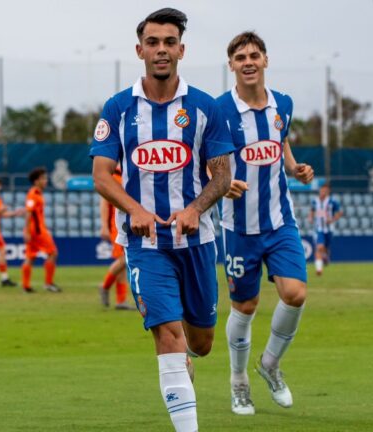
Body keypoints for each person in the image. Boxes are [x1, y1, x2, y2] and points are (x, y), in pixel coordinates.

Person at [90, 8, 232, 431]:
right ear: (140, 50)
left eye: (169, 42)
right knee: (167, 335)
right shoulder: (117, 109)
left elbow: (223, 175)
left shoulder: (205, 107)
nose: (161, 50)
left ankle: (185, 357)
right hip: (144, 245)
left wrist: (194, 208)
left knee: (200, 343)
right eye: (153, 42)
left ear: (181, 50)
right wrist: (134, 209)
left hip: (197, 242)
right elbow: (101, 175)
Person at [216, 31, 314, 416]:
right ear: (232, 66)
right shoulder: (220, 110)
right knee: (245, 305)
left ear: (266, 60)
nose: (248, 62)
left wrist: (294, 167)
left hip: (279, 222)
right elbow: (204, 157)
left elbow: (281, 140)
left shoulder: (283, 104)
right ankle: (238, 381)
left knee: (296, 294)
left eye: (254, 55)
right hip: (238, 227)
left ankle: (270, 364)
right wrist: (222, 185)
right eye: (240, 57)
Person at [97, 167, 135, 310]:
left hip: (124, 223)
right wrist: (104, 227)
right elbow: (104, 203)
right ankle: (105, 285)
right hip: (117, 225)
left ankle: (121, 300)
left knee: (123, 261)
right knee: (123, 259)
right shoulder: (113, 176)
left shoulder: (124, 174)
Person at [21, 167, 61, 293]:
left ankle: (26, 285)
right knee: (53, 253)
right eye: (43, 179)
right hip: (37, 231)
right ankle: (48, 283)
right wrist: (27, 231)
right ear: (36, 181)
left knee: (30, 257)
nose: (46, 181)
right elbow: (28, 212)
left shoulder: (35, 193)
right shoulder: (34, 194)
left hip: (35, 230)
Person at [309, 183, 342, 276]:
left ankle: (326, 256)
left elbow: (339, 213)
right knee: (319, 247)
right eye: (322, 190)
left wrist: (332, 220)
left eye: (325, 190)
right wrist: (310, 217)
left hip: (329, 229)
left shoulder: (332, 201)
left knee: (326, 248)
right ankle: (319, 269)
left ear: (328, 191)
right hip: (318, 229)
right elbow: (312, 210)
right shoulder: (315, 201)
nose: (323, 192)